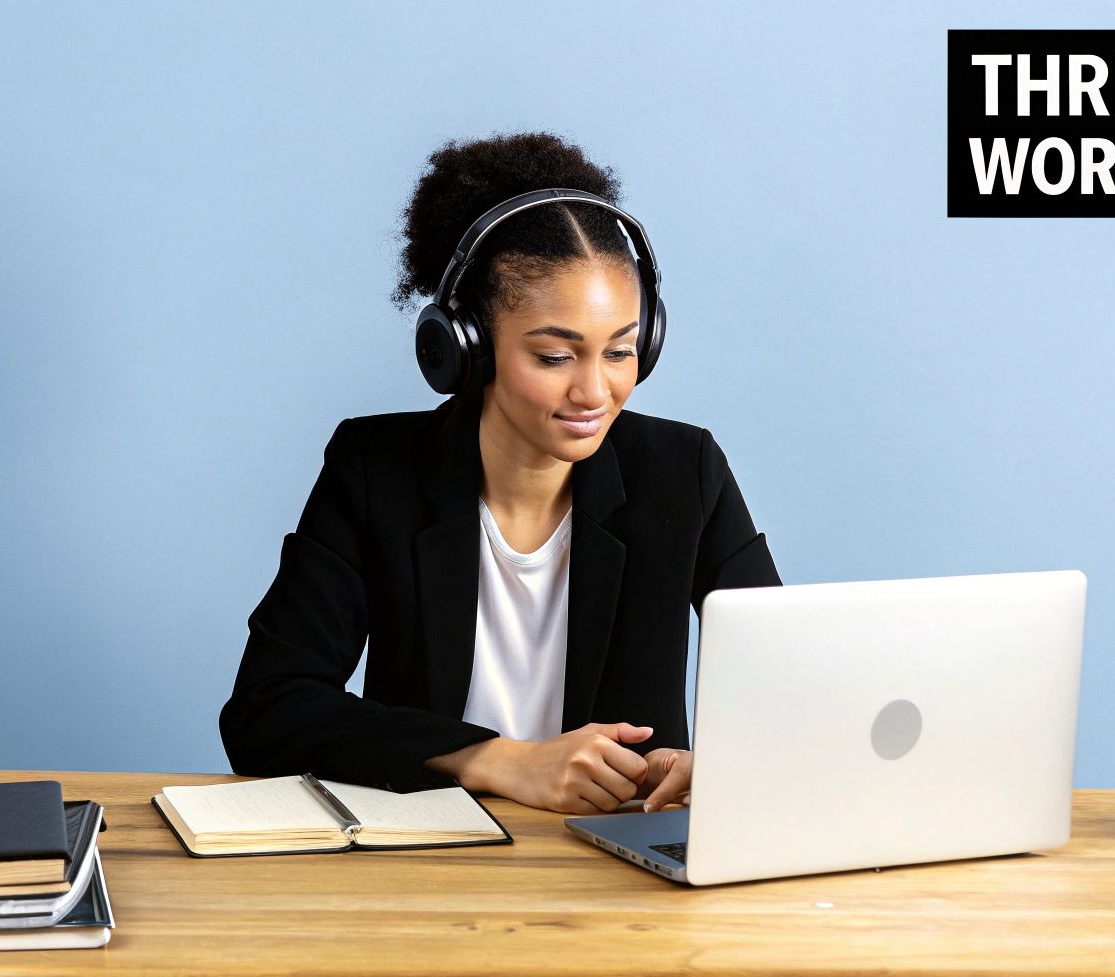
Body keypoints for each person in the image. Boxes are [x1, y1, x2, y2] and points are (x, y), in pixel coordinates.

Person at [219, 131, 781, 816]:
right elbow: (265, 713)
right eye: (554, 357)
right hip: (433, 864)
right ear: (468, 348)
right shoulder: (375, 470)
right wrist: (502, 761)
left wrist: (720, 764)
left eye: (621, 352)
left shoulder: (684, 472)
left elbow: (787, 691)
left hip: (622, 873)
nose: (595, 392)